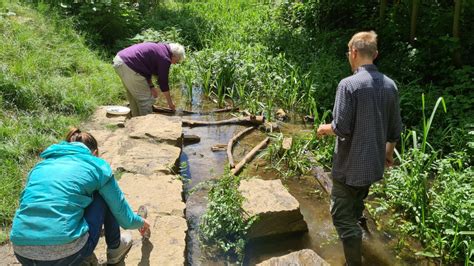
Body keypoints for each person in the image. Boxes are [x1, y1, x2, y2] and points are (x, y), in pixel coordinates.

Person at [317, 31, 402, 266]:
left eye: (348, 53)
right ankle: (357, 228)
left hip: (349, 167)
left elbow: (341, 128)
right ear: (375, 54)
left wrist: (325, 128)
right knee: (355, 204)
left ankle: (353, 262)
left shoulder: (348, 85)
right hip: (372, 166)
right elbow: (395, 129)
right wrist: (387, 153)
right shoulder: (390, 86)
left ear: (353, 52)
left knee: (341, 218)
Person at [10, 128, 151, 265]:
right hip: (65, 254)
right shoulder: (97, 167)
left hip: (22, 251)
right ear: (95, 153)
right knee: (103, 195)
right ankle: (115, 248)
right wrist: (141, 222)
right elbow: (125, 219)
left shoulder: (40, 166)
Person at [113, 42, 186, 117]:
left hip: (120, 60)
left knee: (135, 98)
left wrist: (151, 86)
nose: (175, 63)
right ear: (174, 55)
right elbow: (163, 83)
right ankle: (146, 126)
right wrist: (170, 103)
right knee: (146, 101)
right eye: (177, 61)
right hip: (129, 64)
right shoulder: (165, 58)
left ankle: (136, 122)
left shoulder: (161, 48)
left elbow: (145, 69)